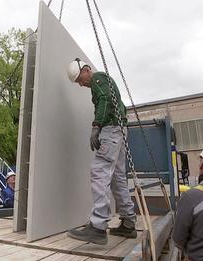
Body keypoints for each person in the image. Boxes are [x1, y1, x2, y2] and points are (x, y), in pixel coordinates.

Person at [66, 58, 136, 245]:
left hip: (111, 130)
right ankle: (128, 222)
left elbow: (105, 100)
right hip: (119, 131)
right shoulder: (101, 82)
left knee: (99, 171)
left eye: (79, 79)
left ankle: (97, 226)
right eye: (77, 83)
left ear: (86, 69)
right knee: (117, 177)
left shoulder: (98, 79)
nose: (80, 84)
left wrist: (96, 126)